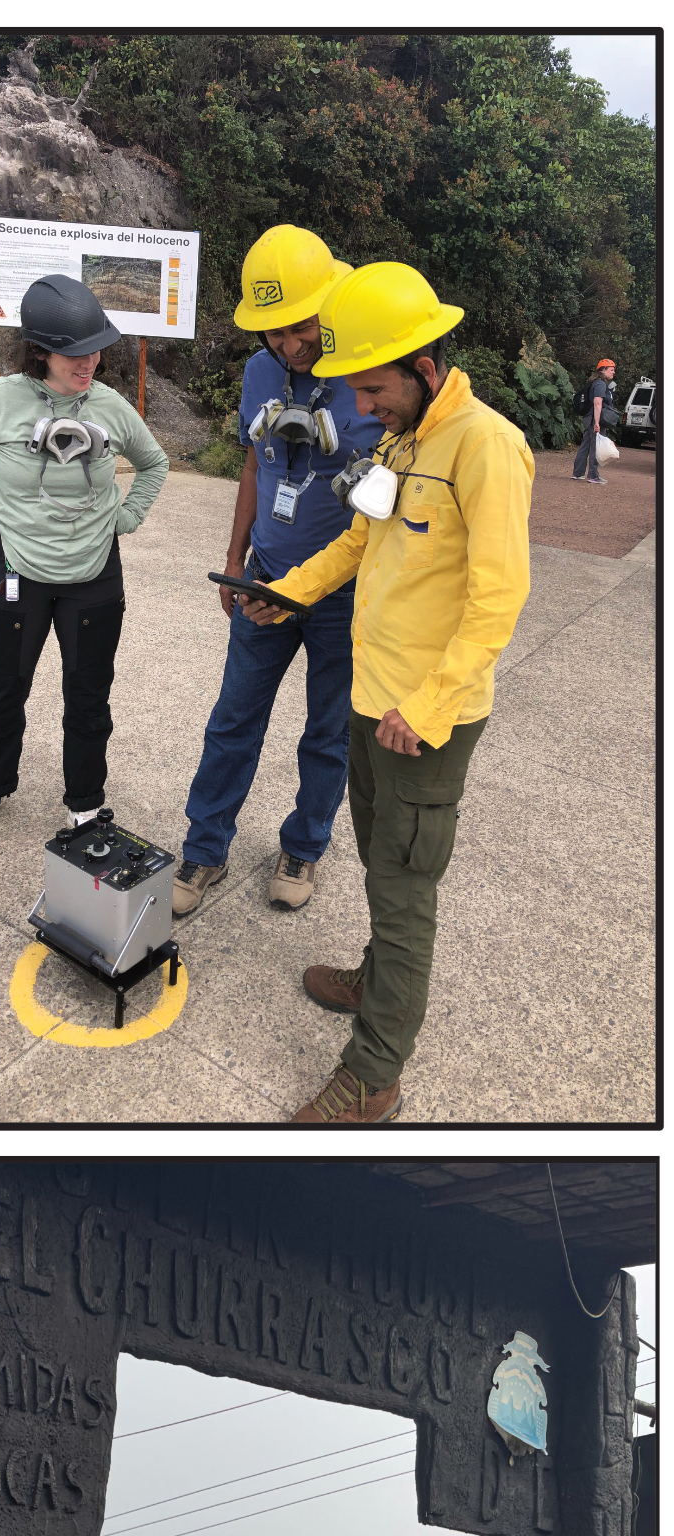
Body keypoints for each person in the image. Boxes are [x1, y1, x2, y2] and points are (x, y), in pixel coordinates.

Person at [243, 260, 533, 1123]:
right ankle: (377, 979)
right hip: (374, 701)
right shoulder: (401, 443)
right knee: (380, 864)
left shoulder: (484, 446)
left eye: (371, 389)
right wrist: (284, 591)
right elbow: (359, 549)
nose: (360, 408)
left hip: (422, 720)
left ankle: (372, 1077)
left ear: (422, 366)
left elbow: (498, 597)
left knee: (405, 891)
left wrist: (432, 706)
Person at [0, 274, 169, 840]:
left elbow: (154, 462)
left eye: (95, 347)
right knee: (2, 689)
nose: (89, 360)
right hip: (15, 569)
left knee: (89, 695)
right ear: (40, 350)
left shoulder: (111, 407)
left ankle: (86, 803)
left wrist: (126, 517)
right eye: (74, 352)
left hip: (94, 573)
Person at [174, 227, 381, 920]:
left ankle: (304, 846)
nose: (288, 344)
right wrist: (235, 561)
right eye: (272, 332)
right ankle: (203, 848)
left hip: (339, 593)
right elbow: (252, 465)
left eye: (299, 326)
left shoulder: (365, 367)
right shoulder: (259, 372)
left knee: (326, 729)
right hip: (264, 579)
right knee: (233, 717)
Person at [573, 358, 617, 485]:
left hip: (589, 417)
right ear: (603, 370)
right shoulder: (600, 384)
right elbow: (597, 403)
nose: (613, 373)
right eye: (611, 370)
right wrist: (597, 423)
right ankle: (593, 475)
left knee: (586, 444)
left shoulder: (595, 382)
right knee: (595, 446)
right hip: (594, 418)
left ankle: (578, 473)